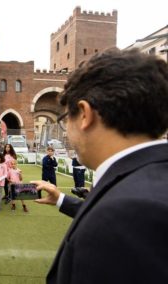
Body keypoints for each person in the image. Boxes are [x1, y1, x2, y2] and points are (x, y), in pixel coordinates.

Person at [32, 49, 168, 284]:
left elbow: (115, 215)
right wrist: (62, 200)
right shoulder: (148, 180)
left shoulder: (124, 215)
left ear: (84, 114)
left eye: (65, 120)